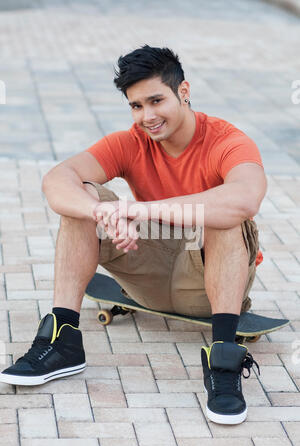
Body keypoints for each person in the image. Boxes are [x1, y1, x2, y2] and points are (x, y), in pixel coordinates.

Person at [0, 45, 266, 425]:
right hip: (148, 278)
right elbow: (56, 179)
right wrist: (101, 211)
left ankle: (224, 361)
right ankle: (62, 339)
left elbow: (245, 198)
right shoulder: (130, 142)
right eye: (136, 105)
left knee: (219, 213)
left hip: (209, 283)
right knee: (84, 196)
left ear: (184, 92)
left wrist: (138, 210)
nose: (147, 116)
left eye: (156, 100)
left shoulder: (226, 141)